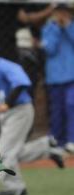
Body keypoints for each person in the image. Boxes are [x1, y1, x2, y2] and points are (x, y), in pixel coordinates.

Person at [0, 28, 65, 195]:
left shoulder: (4, 65)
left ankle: (15, 187)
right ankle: (46, 147)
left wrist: (8, 103)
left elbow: (21, 83)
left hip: (20, 110)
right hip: (5, 115)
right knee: (13, 152)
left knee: (1, 151)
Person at [41, 4, 74, 155]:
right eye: (58, 11)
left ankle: (71, 140)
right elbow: (49, 49)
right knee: (56, 110)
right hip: (54, 78)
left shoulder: (72, 27)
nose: (61, 15)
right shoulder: (48, 29)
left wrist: (67, 27)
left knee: (71, 106)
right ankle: (57, 141)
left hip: (71, 76)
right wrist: (56, 28)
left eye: (64, 11)